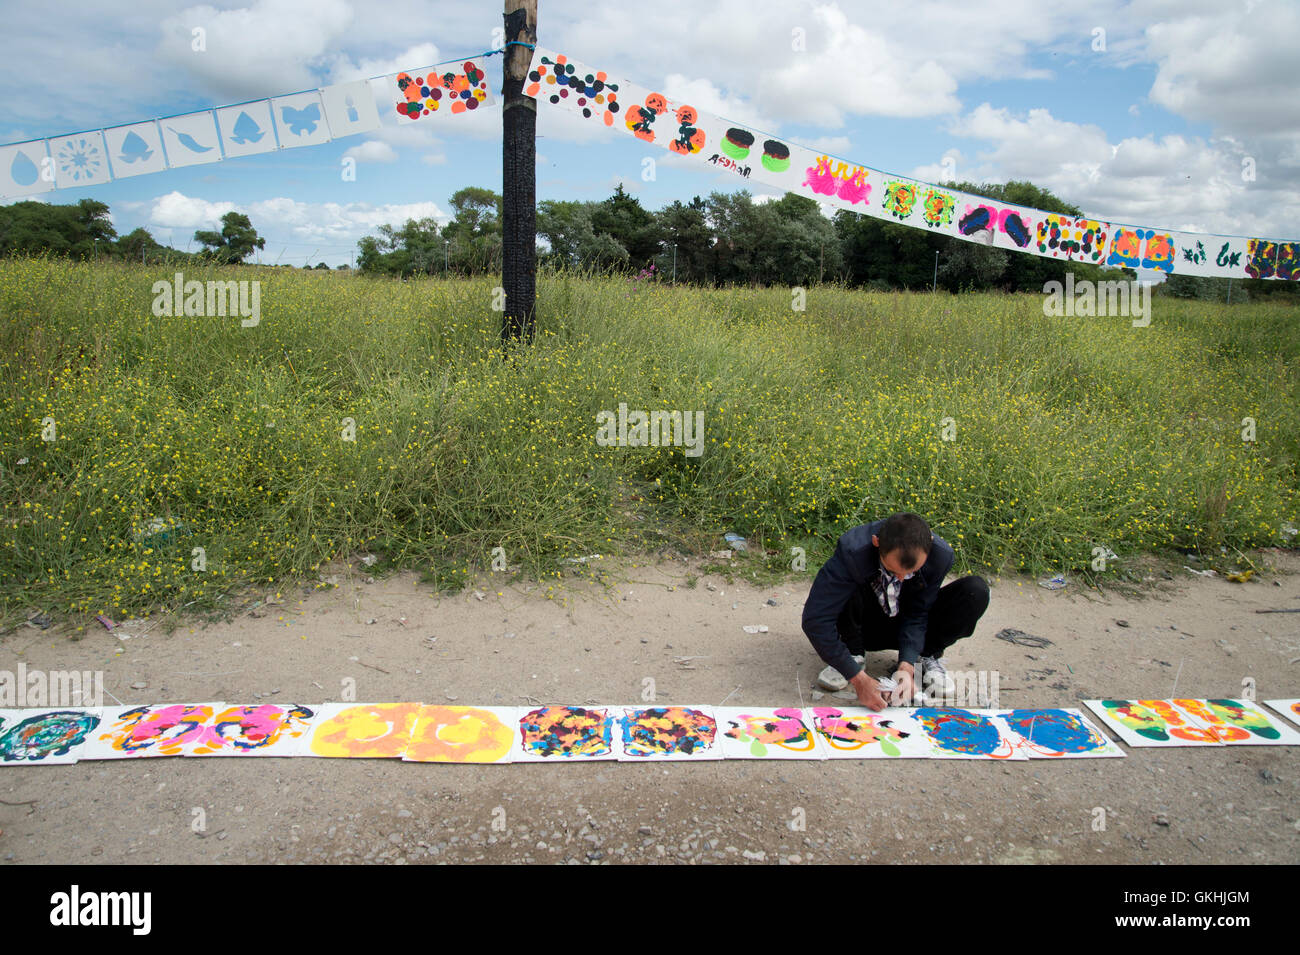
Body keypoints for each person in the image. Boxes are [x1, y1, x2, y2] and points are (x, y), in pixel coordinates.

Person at [800, 512, 989, 711]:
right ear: (876, 542)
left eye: (911, 572)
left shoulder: (941, 556)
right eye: (892, 569)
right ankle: (852, 654)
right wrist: (858, 679)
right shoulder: (853, 550)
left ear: (930, 546)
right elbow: (816, 619)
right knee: (843, 587)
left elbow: (919, 612)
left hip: (907, 622)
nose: (900, 579)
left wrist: (907, 666)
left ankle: (923, 656)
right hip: (865, 625)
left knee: (975, 591)